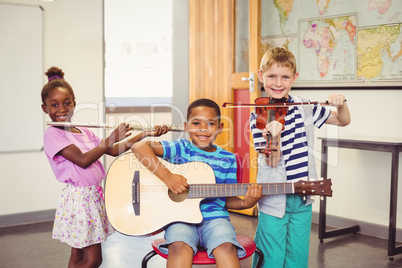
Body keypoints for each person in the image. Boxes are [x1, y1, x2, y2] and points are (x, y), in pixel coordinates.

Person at [41, 66, 168, 268]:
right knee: (93, 260)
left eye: (67, 103)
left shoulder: (82, 130)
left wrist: (145, 134)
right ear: (45, 108)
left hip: (93, 196)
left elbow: (113, 150)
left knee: (78, 256)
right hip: (79, 200)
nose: (62, 109)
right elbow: (83, 160)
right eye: (54, 105)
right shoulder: (53, 134)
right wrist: (110, 139)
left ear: (74, 104)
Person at [250, 47, 351, 268]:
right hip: (274, 195)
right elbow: (272, 161)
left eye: (285, 77)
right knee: (271, 256)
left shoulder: (305, 106)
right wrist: (274, 138)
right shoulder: (259, 114)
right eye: (271, 76)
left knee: (297, 256)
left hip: (303, 194)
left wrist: (342, 103)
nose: (278, 83)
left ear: (294, 78)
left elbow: (343, 121)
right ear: (260, 76)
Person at [131, 98, 263, 268]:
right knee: (179, 246)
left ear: (220, 128)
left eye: (210, 124)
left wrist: (247, 202)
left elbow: (227, 199)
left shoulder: (228, 159)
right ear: (186, 127)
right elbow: (138, 146)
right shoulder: (180, 148)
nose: (203, 129)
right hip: (179, 219)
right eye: (196, 123)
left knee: (226, 246)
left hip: (215, 219)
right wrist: (168, 177)